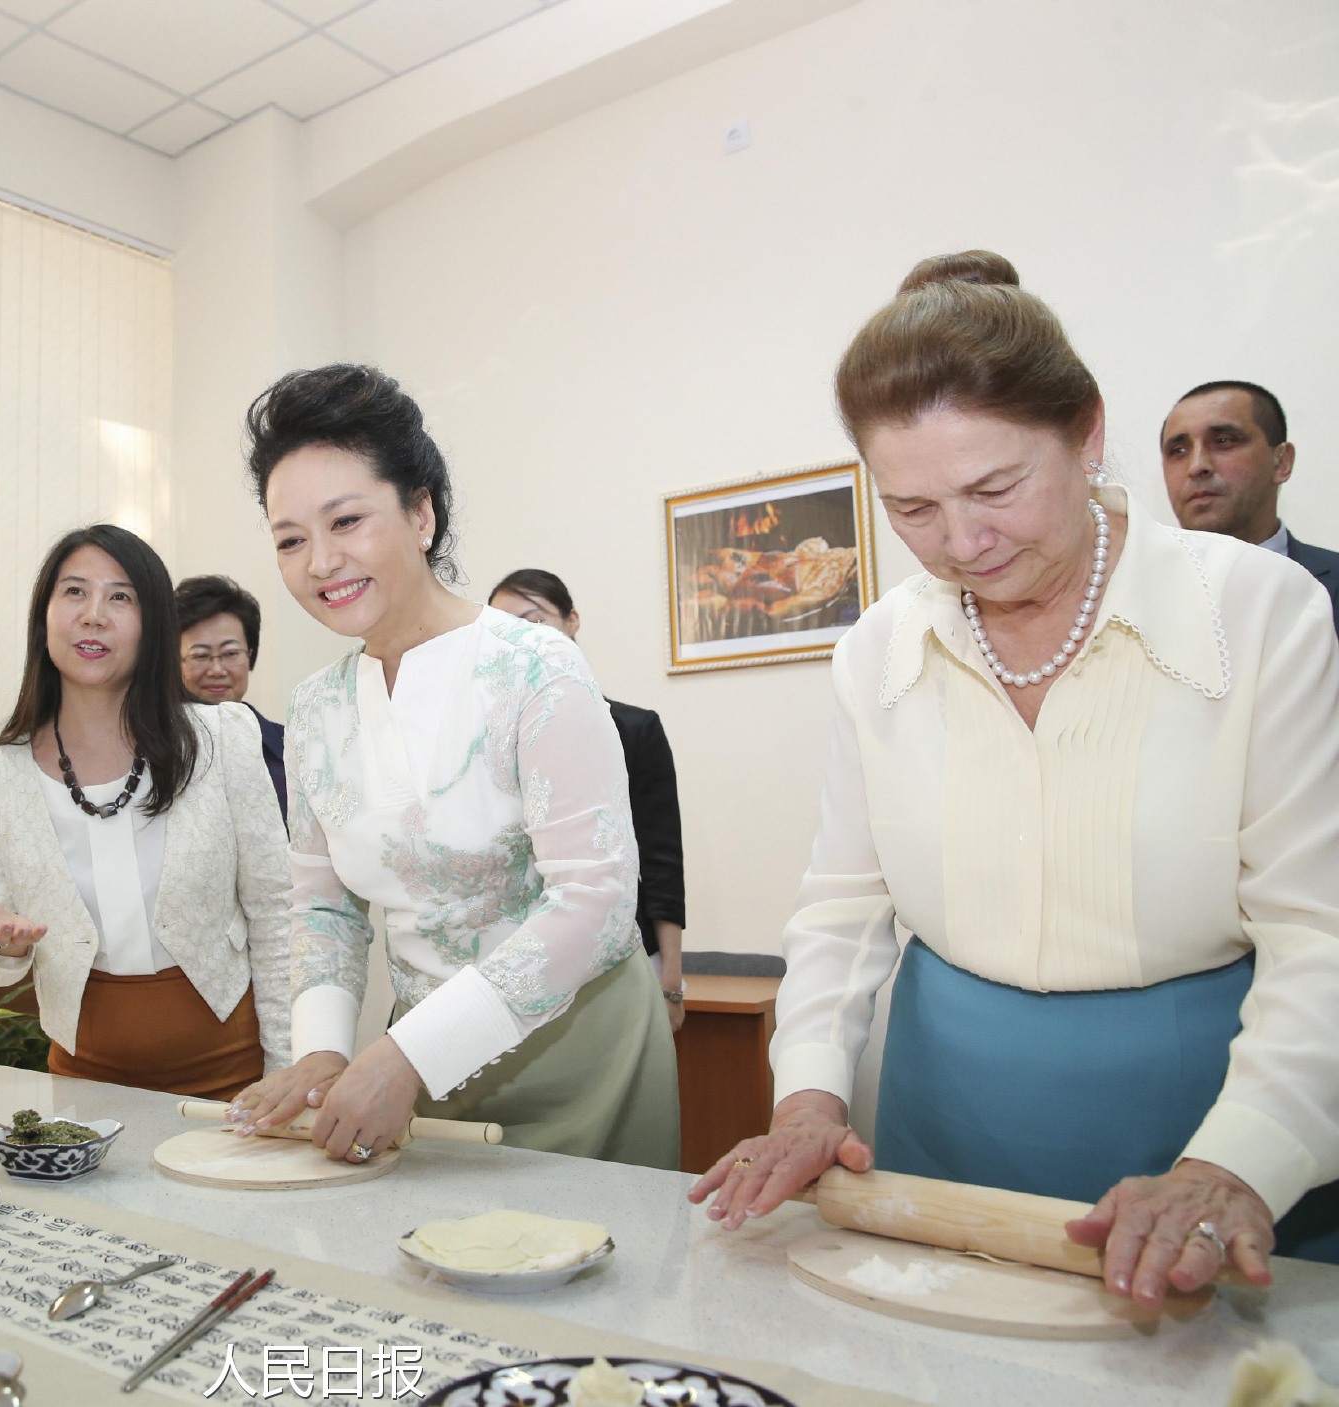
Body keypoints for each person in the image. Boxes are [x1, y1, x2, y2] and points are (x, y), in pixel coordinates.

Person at [689, 252, 1339, 1305]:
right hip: (942, 1102)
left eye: (994, 487)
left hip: (1204, 1099)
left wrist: (1233, 1161)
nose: (960, 543)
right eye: (910, 509)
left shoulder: (1254, 609)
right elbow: (846, 904)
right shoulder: (875, 650)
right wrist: (806, 1095)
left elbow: (1319, 928)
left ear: (1084, 433)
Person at [228, 365, 679, 1169]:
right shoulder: (316, 711)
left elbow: (599, 902)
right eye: (291, 539)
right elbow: (324, 908)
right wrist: (327, 1050)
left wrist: (406, 1054)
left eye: (348, 521)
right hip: (424, 1072)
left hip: (581, 1061)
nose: (322, 561)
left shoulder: (535, 668)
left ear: (422, 512)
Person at [0, 525, 292, 1101]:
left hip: (236, 1075)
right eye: (74, 592)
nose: (94, 616)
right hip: (85, 1080)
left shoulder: (223, 737)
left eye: (120, 597)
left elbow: (278, 914)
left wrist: (288, 1069)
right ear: (44, 619)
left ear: (152, 625)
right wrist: (0, 946)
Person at [487, 569, 687, 1032]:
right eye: (502, 629)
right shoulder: (489, 741)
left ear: (571, 621)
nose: (519, 639)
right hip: (517, 964)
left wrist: (672, 979)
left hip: (620, 953)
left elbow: (661, 859)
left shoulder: (636, 729)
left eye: (533, 621)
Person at [1161, 380, 1339, 625]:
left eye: (1223, 441)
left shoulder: (1330, 583)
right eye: (1178, 450)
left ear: (1282, 462)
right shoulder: (1129, 591)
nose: (1197, 466)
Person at [176, 574, 288, 817]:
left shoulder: (288, 747)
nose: (217, 670)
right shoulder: (156, 748)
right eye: (200, 655)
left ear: (250, 655)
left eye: (230, 653)